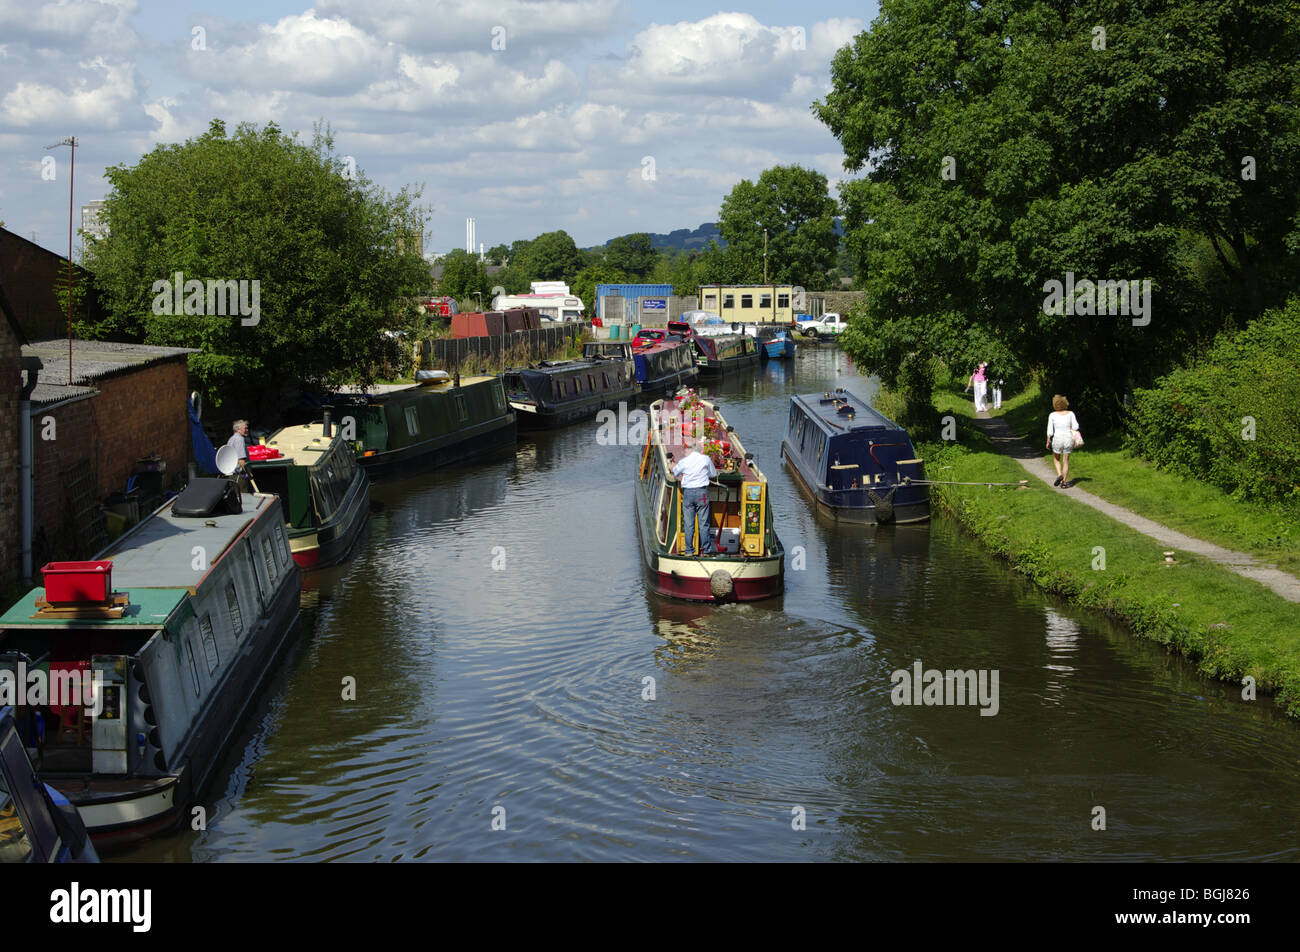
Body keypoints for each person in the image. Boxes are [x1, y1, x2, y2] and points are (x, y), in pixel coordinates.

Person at [672, 439, 718, 555]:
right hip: (702, 493)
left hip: (688, 494)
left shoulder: (684, 461)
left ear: (690, 449)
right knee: (704, 524)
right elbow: (713, 474)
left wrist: (672, 465)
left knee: (689, 524)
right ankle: (706, 550)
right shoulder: (706, 459)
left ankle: (689, 550)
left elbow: (675, 472)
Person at [1046, 395, 1080, 488]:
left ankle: (1059, 474)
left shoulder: (1052, 415)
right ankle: (1064, 482)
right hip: (1068, 439)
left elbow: (1050, 431)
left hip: (1057, 438)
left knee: (1056, 459)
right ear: (1065, 403)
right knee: (1066, 461)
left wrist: (1048, 441)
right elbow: (1076, 427)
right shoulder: (1071, 414)